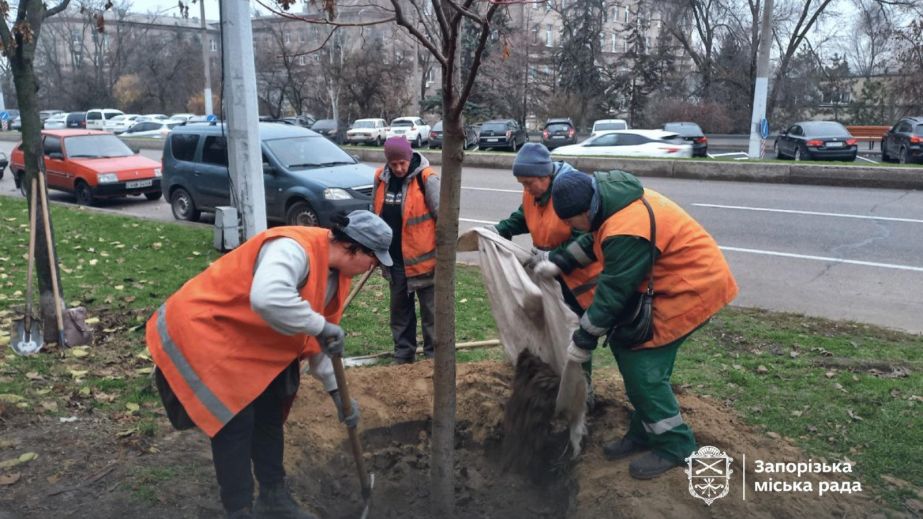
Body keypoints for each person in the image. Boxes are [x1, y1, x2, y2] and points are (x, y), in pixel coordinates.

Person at [145, 210, 392, 519]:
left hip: (251, 339)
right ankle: (239, 509)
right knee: (235, 422)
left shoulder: (336, 275)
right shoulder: (292, 248)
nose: (373, 268)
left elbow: (319, 344)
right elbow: (267, 298)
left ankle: (273, 497)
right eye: (374, 260)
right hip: (208, 328)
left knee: (269, 415)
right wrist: (319, 326)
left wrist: (339, 397)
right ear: (352, 248)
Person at [542, 169, 738, 480]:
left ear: (585, 209)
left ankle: (676, 445)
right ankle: (646, 430)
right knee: (629, 353)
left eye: (570, 221)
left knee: (642, 368)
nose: (569, 228)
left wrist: (584, 339)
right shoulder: (610, 200)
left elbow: (612, 292)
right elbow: (595, 238)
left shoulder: (627, 230)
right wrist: (562, 262)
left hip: (691, 288)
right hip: (673, 279)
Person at [490, 143, 604, 403]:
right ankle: (556, 378)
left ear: (546, 175)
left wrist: (555, 258)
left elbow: (583, 236)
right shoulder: (533, 192)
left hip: (578, 279)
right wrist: (500, 230)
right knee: (549, 327)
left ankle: (582, 391)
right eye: (522, 184)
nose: (526, 189)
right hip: (549, 274)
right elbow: (524, 216)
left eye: (529, 183)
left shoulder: (569, 192)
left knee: (575, 334)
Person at [373, 136, 440, 364]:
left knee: (432, 315)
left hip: (425, 262)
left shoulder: (426, 179)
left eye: (402, 162)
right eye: (394, 164)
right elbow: (376, 215)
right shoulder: (381, 179)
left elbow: (444, 219)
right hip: (395, 262)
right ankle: (404, 355)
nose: (399, 168)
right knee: (400, 313)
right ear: (388, 163)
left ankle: (434, 358)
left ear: (410, 157)